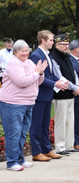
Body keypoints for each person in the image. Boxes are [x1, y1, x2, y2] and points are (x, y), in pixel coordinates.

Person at [0, 40, 47, 171]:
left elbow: (38, 81)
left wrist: (41, 73)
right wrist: (36, 73)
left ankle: (20, 159)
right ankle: (12, 162)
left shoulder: (30, 62)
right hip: (12, 104)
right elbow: (22, 81)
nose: (25, 53)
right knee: (13, 133)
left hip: (28, 103)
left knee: (22, 133)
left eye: (27, 51)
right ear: (15, 52)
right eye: (22, 51)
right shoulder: (14, 63)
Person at [30, 30, 68, 162]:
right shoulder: (36, 55)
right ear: (43, 40)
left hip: (47, 95)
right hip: (39, 95)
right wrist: (55, 84)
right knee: (36, 124)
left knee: (45, 124)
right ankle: (36, 152)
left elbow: (51, 74)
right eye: (51, 40)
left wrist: (61, 81)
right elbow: (38, 77)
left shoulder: (47, 55)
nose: (53, 42)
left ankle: (46, 149)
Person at [51, 34, 79, 155]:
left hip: (70, 94)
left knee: (70, 121)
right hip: (61, 94)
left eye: (67, 44)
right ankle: (60, 147)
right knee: (61, 121)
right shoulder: (54, 57)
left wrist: (77, 86)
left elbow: (73, 72)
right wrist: (74, 87)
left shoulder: (66, 56)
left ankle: (69, 145)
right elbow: (59, 76)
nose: (66, 46)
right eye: (63, 44)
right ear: (56, 45)